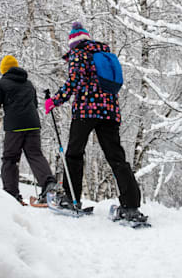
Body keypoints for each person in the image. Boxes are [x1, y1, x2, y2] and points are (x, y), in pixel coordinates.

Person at [44, 22, 148, 222]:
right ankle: (131, 205)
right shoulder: (104, 53)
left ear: (73, 42)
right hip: (110, 112)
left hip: (85, 111)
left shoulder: (79, 54)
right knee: (117, 158)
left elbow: (73, 82)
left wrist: (54, 101)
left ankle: (70, 199)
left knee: (74, 154)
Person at [0, 55, 57, 206]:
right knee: (35, 154)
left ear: (4, 69)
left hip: (15, 127)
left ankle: (11, 194)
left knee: (10, 159)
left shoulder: (1, 84)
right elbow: (34, 104)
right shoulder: (29, 84)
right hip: (33, 124)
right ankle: (48, 185)